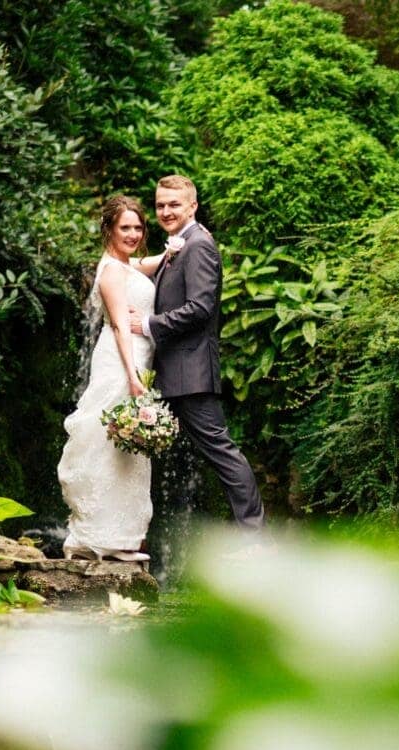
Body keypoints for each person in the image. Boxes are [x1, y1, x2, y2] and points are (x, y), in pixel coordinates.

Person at [129, 175, 265, 555]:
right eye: (160, 205)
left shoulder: (199, 245)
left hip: (190, 373)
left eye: (174, 204)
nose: (166, 211)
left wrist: (149, 325)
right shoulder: (180, 245)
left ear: (192, 205)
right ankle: (125, 533)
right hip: (170, 373)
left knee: (221, 451)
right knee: (133, 448)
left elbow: (200, 308)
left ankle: (256, 540)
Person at [57, 194, 155, 562]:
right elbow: (117, 325)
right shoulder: (113, 271)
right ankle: (104, 535)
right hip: (121, 362)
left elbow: (147, 264)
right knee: (109, 443)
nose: (133, 233)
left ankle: (122, 535)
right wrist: (132, 375)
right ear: (109, 230)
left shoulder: (126, 265)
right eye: (124, 227)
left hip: (138, 360)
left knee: (126, 448)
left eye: (138, 227)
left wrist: (180, 247)